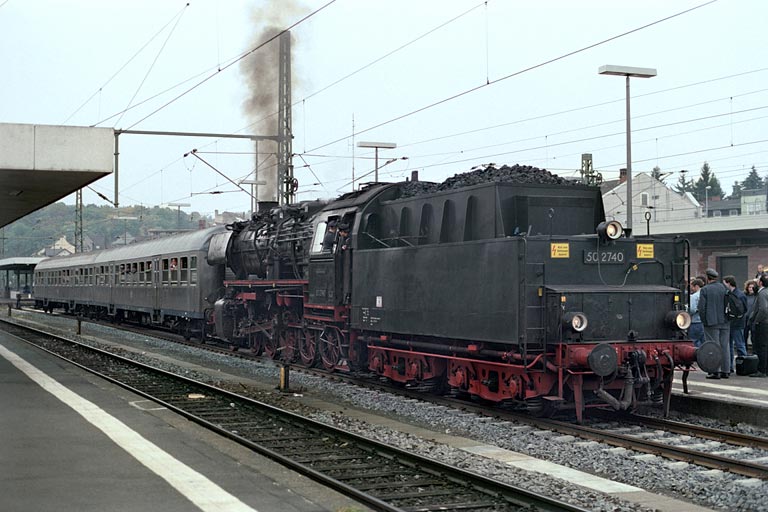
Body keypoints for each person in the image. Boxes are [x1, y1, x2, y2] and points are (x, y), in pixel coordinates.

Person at [698, 268, 730, 379]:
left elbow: (701, 308)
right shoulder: (724, 288)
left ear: (707, 278)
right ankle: (726, 370)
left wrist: (704, 320)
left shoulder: (705, 290)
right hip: (725, 321)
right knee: (725, 346)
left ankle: (715, 371)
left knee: (713, 346)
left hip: (711, 322)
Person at [723, 275, 748, 373]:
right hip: (738, 322)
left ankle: (730, 366)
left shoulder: (728, 294)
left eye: (724, 283)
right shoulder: (741, 294)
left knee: (731, 345)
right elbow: (745, 309)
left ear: (728, 283)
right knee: (739, 344)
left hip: (731, 322)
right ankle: (744, 366)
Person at [749, 274, 768, 378]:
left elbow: (763, 309)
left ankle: (761, 370)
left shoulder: (762, 294)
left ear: (761, 283)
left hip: (763, 323)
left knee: (761, 347)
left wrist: (756, 321)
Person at [688, 278, 705, 348]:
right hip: (704, 322)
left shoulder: (694, 297)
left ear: (696, 286)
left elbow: (692, 310)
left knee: (693, 341)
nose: (691, 288)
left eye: (692, 286)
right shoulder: (705, 294)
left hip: (695, 322)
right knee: (703, 342)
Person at [744, 279, 758, 351]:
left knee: (754, 337)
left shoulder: (757, 296)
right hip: (745, 318)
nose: (751, 289)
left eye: (752, 287)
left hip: (753, 319)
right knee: (744, 336)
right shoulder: (744, 296)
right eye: (749, 287)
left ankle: (754, 351)